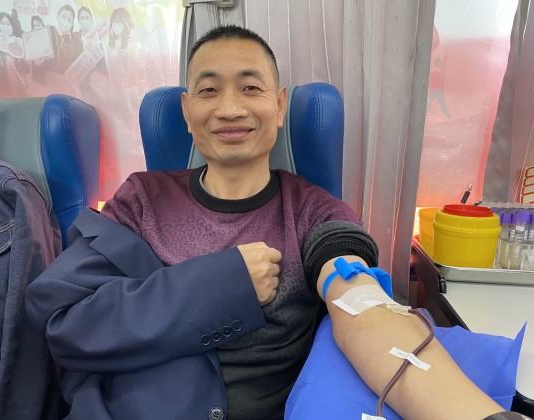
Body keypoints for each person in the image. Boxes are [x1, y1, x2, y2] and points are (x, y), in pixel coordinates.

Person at [25, 25, 513, 420]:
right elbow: (65, 323)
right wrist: (224, 285)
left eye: (251, 87)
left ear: (279, 106)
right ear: (187, 112)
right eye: (209, 90)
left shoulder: (313, 211)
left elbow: (367, 311)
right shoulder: (140, 199)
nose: (230, 108)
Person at [0, 10, 29, 97]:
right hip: (3, 91)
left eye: (8, 24)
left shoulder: (18, 45)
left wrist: (26, 60)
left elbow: (26, 69)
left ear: (12, 27)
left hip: (20, 91)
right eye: (2, 23)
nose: (5, 26)